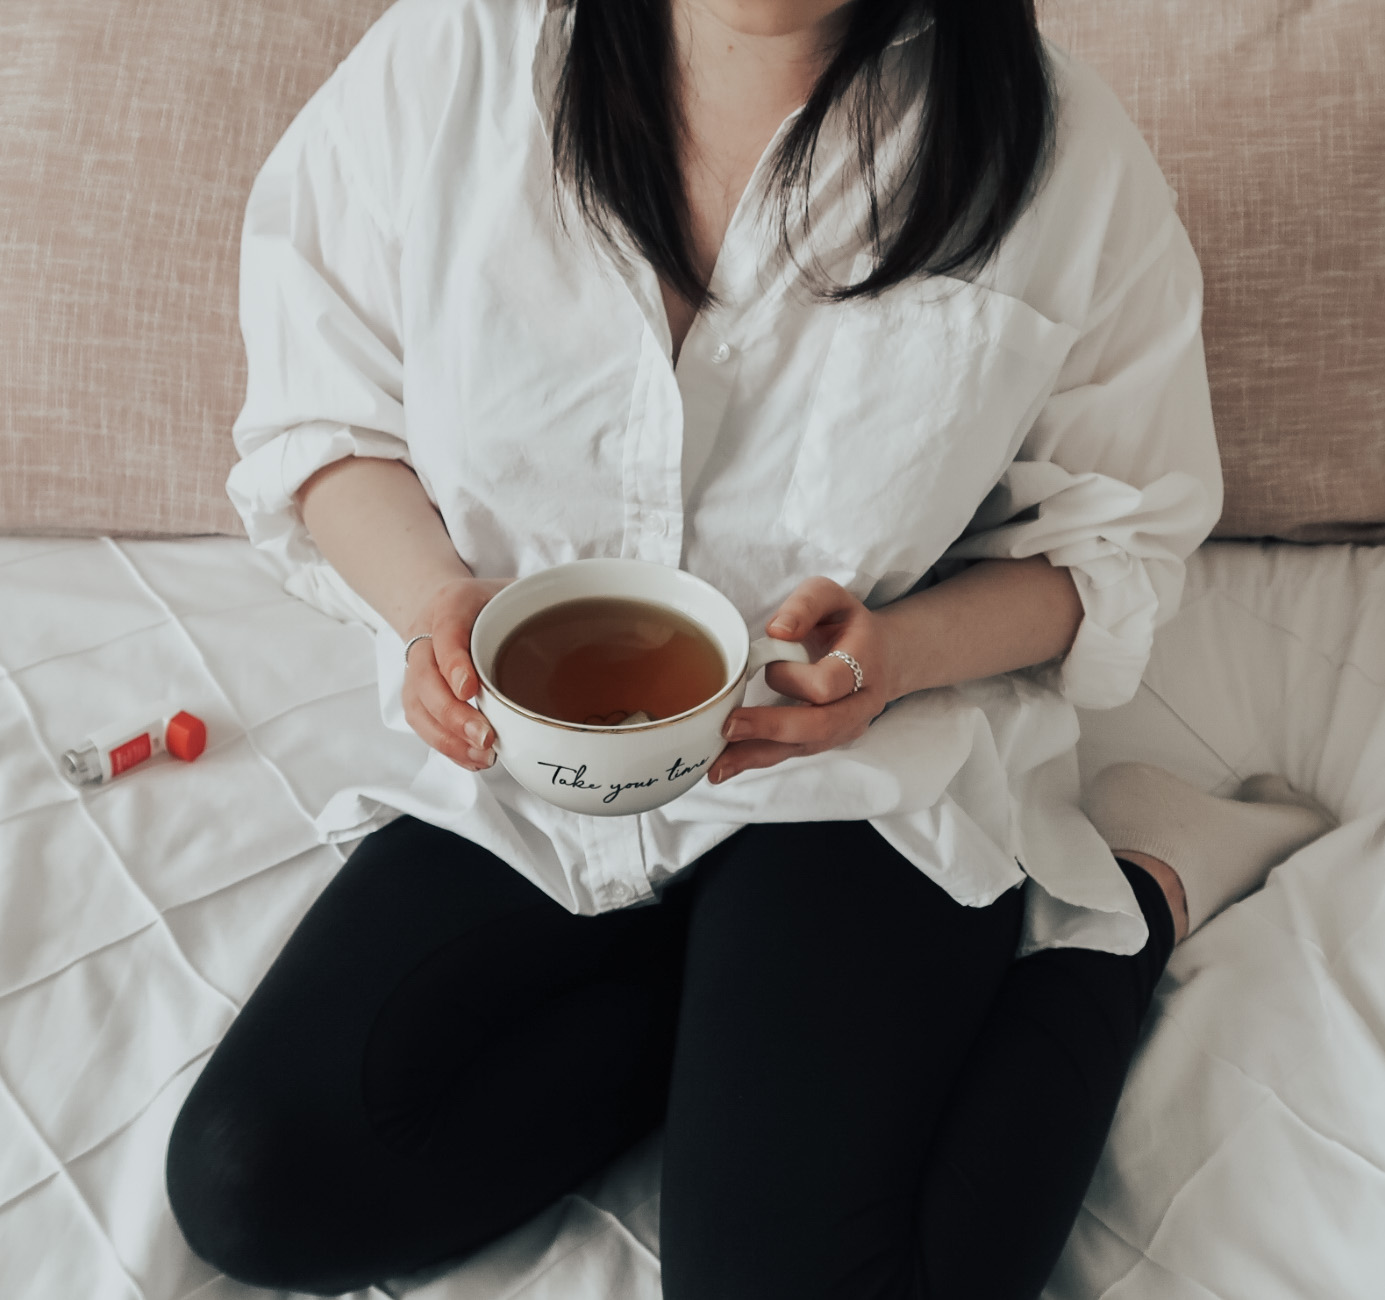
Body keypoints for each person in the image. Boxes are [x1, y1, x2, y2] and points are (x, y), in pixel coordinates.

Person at [164, 0, 1332, 1295]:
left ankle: (1143, 888)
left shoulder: (1058, 154)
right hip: (538, 756)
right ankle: (719, 1007)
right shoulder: (458, 58)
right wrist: (436, 602)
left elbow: (1115, 545)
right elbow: (324, 424)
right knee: (254, 1184)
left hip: (850, 764)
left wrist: (895, 652)